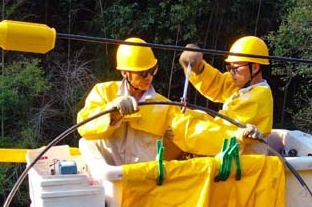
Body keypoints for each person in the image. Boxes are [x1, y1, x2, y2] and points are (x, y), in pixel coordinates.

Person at [77, 38, 262, 166]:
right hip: (107, 184)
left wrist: (236, 137)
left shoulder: (162, 107)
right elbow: (84, 125)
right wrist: (113, 112)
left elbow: (195, 131)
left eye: (153, 70)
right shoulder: (103, 93)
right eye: (143, 73)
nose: (149, 77)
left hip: (141, 187)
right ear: (125, 73)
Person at [178, 36, 273, 137]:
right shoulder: (242, 84)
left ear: (254, 68)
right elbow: (218, 84)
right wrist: (198, 68)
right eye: (230, 67)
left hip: (242, 151)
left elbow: (223, 132)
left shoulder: (257, 97)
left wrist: (186, 125)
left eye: (235, 68)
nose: (231, 72)